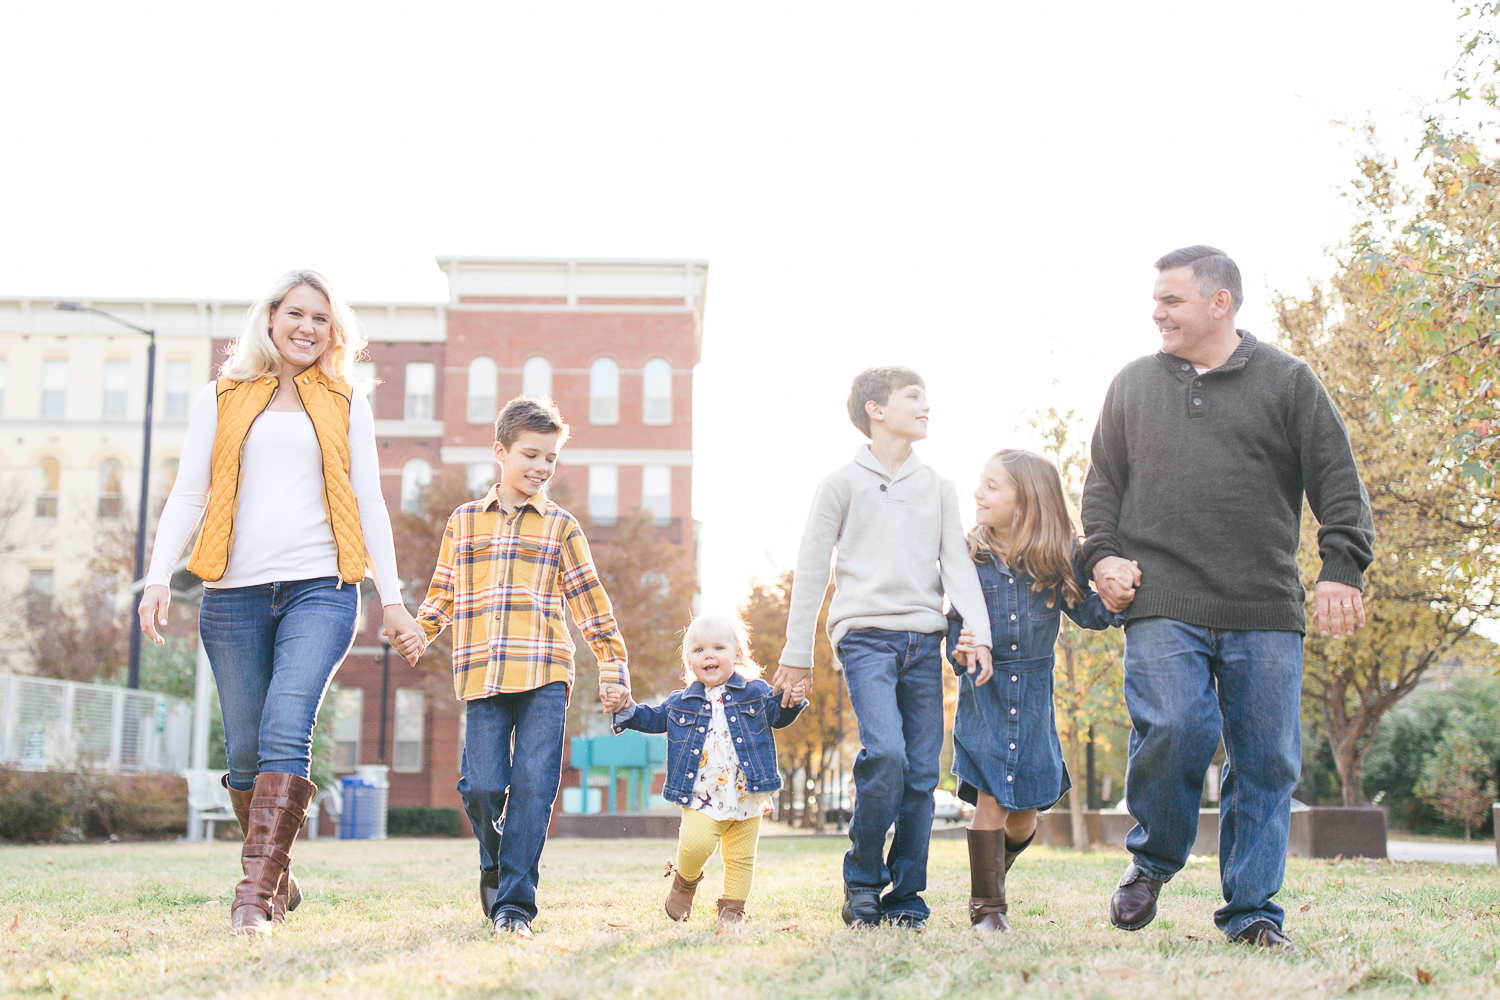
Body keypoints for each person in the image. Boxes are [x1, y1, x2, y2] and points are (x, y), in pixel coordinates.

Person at [1080, 246, 1374, 951]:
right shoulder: (1131, 385)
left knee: (1266, 760)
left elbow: (1338, 481)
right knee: (1177, 724)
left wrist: (1342, 567)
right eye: (1156, 300)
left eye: (1173, 300)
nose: (1158, 312)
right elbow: (1101, 492)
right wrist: (1102, 557)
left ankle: (1251, 913)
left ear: (1220, 302)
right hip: (1162, 594)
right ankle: (1153, 860)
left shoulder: (1289, 382)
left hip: (1263, 601)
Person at [139, 269, 426, 938]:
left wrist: (393, 599)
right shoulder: (224, 395)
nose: (306, 327)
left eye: (320, 318)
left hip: (321, 590)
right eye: (295, 313)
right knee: (244, 751)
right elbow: (189, 494)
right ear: (270, 319)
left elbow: (370, 501)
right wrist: (158, 576)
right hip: (231, 595)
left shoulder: (347, 402)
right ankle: (279, 872)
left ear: (335, 332)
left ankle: (252, 897)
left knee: (286, 727)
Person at [773, 366, 994, 929]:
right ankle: (863, 882)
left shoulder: (939, 487)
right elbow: (811, 569)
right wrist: (798, 651)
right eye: (913, 397)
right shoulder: (840, 484)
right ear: (876, 409)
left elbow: (959, 566)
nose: (926, 406)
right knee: (886, 755)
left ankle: (906, 897)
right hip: (865, 639)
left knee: (922, 773)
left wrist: (979, 631)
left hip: (924, 639)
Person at [417, 395, 630, 938]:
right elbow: (442, 592)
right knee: (483, 787)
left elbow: (588, 598)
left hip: (544, 672)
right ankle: (494, 860)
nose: (541, 468)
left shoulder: (562, 526)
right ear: (500, 452)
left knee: (534, 786)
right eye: (531, 455)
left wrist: (612, 661)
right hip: (482, 672)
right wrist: (419, 632)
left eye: (550, 459)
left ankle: (515, 904)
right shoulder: (464, 522)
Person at [946, 449, 1129, 931]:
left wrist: (1122, 596)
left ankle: (991, 876)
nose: (978, 494)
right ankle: (987, 909)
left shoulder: (1056, 559)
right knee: (992, 800)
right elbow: (954, 635)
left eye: (991, 486)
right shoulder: (969, 560)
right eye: (980, 483)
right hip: (984, 698)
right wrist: (963, 651)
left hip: (1031, 702)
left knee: (1024, 815)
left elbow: (1089, 614)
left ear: (1024, 504)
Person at [605, 613, 806, 925]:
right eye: (698, 651)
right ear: (689, 662)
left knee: (740, 858)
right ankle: (685, 882)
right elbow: (654, 718)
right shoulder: (681, 701)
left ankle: (733, 909)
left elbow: (778, 715)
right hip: (702, 795)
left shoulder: (757, 692)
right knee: (695, 844)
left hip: (747, 792)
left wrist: (791, 701)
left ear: (738, 655)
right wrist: (627, 708)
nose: (708, 655)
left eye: (718, 648)